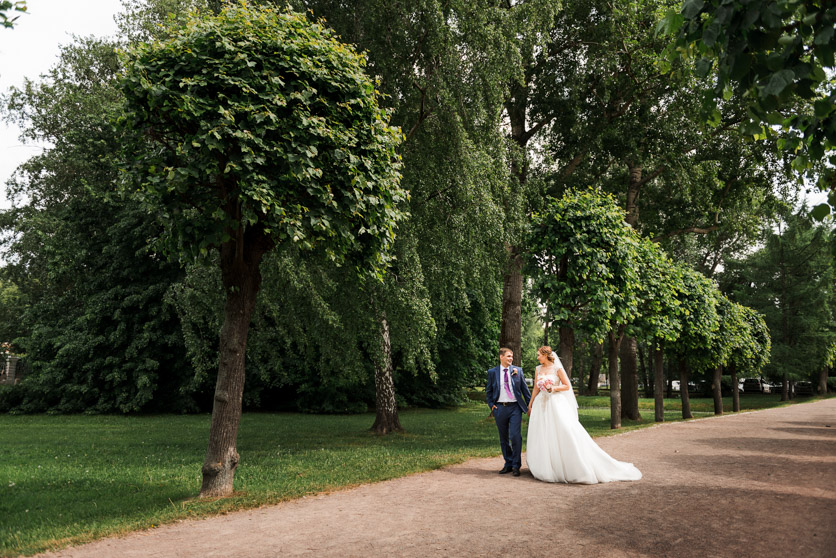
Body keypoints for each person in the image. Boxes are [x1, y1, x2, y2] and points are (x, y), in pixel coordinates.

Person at [526, 345, 642, 484]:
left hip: (556, 403)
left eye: (539, 355)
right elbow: (536, 388)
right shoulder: (538, 369)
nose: (537, 357)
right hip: (541, 404)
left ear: (546, 355)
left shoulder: (557, 369)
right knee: (543, 433)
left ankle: (572, 465)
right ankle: (546, 466)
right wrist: (531, 403)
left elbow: (566, 386)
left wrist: (553, 388)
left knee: (565, 430)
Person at [486, 347, 531, 477]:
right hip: (500, 408)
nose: (511, 358)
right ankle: (508, 463)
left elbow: (525, 391)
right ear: (501, 357)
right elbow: (488, 391)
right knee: (503, 438)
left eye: (512, 356)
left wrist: (530, 406)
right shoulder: (493, 372)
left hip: (515, 408)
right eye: (508, 356)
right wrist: (491, 405)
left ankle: (517, 465)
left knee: (515, 436)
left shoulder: (518, 371)